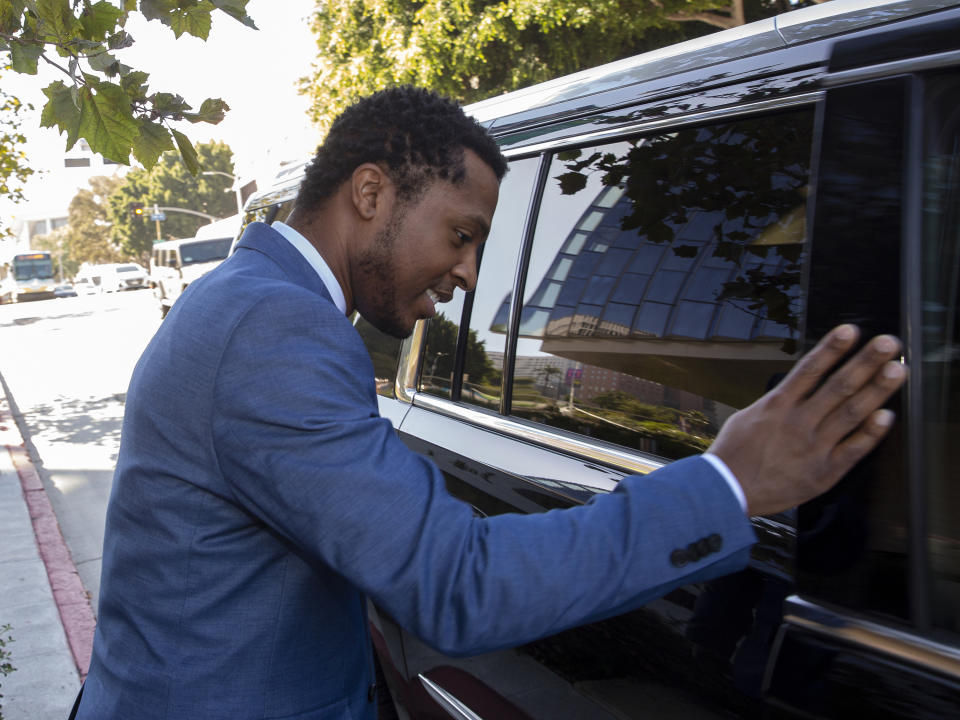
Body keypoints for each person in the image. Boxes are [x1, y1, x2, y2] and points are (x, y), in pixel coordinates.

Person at [76, 87, 905, 719]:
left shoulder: (248, 295)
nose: (470, 274)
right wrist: (730, 483)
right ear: (371, 194)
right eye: (462, 234)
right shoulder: (277, 329)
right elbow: (459, 586)